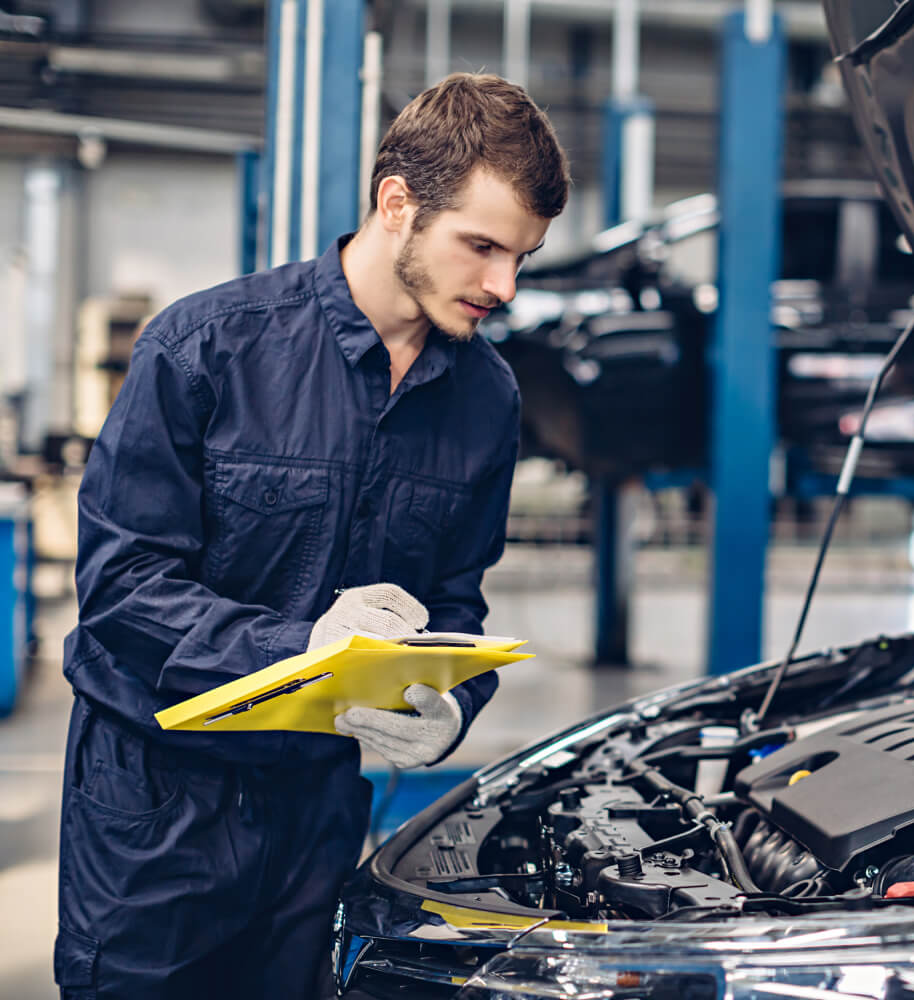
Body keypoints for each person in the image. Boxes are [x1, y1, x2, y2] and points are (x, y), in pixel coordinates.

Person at [53, 73, 569, 998]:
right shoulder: (206, 349)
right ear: (397, 204)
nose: (504, 286)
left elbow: (457, 601)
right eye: (483, 247)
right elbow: (124, 588)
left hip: (318, 814)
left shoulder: (486, 398)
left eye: (523, 258)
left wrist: (452, 710)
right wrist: (302, 648)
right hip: (160, 811)